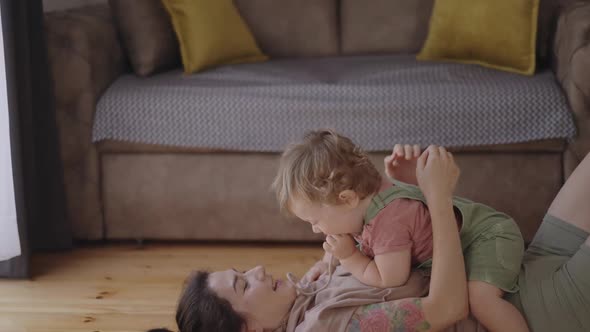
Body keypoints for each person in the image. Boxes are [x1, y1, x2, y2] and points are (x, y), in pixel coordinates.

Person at [150, 148, 590, 332]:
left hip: (522, 268)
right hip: (539, 309)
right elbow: (447, 308)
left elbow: (387, 235)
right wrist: (438, 200)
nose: (258, 270)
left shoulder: (308, 292)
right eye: (245, 284)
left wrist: (404, 189)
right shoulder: (330, 326)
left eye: (244, 272)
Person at [272, 130, 528, 332]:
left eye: (314, 220)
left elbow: (389, 278)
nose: (315, 229)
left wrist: (350, 257)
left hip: (488, 239)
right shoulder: (365, 201)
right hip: (472, 239)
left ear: (347, 198)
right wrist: (327, 259)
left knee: (481, 301)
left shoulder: (388, 223)